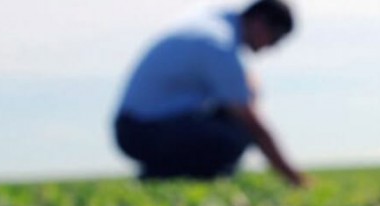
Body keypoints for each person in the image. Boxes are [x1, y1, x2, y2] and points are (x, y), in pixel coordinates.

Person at [114, 0, 306, 185]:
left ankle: (162, 173)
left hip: (137, 126)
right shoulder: (219, 45)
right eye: (275, 38)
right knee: (235, 134)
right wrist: (291, 176)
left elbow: (243, 85)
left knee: (230, 123)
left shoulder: (215, 27)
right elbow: (253, 124)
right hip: (142, 130)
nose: (271, 47)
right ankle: (162, 175)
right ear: (259, 22)